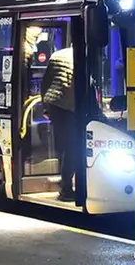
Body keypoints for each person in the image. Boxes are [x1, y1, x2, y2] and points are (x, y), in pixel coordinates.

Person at [40, 47, 76, 202]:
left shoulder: (56, 55)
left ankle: (64, 183)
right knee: (72, 147)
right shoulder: (82, 55)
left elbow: (45, 82)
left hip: (53, 103)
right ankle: (67, 189)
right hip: (69, 105)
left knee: (63, 146)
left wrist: (45, 106)